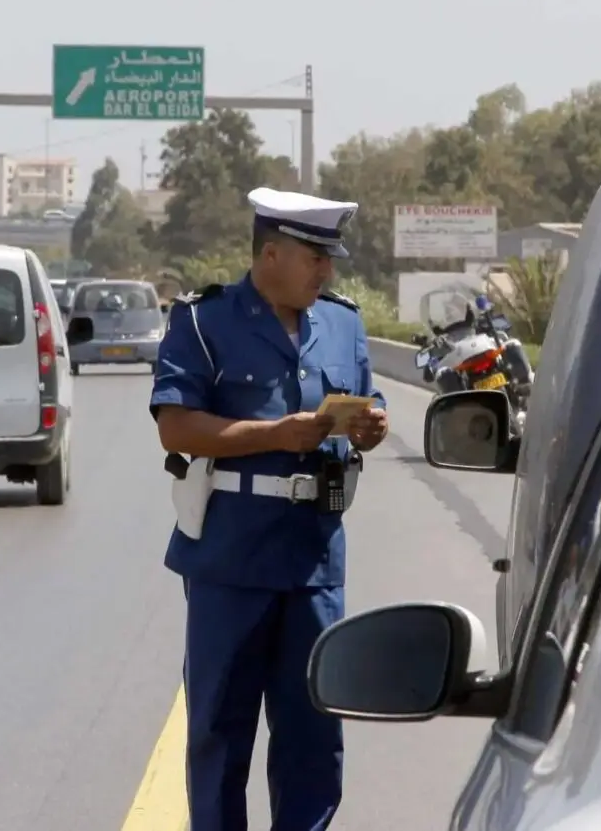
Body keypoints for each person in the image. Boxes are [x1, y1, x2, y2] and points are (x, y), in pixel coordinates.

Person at [148, 186, 389, 831]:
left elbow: (369, 403)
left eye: (329, 259)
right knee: (220, 732)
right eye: (315, 257)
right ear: (271, 253)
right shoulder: (204, 320)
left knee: (314, 734)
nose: (326, 271)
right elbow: (177, 428)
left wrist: (367, 428)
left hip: (314, 560)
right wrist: (276, 436)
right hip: (231, 558)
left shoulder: (343, 322)